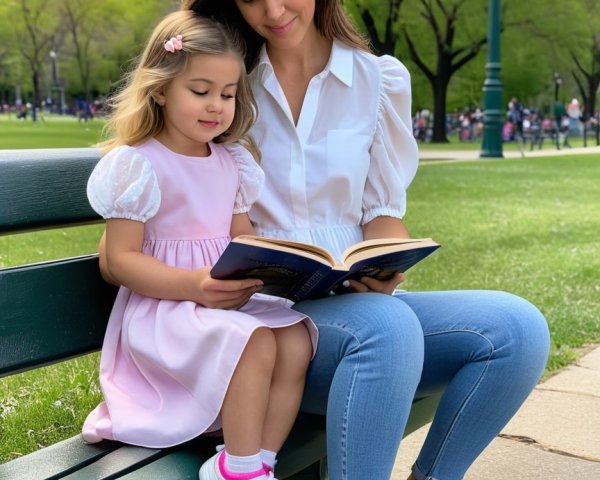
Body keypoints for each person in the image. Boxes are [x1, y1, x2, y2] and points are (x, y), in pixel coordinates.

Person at [100, 2, 550, 479]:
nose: (272, 9)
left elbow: (382, 214)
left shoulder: (374, 80)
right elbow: (130, 240)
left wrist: (384, 264)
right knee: (388, 328)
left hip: (357, 305)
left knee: (516, 330)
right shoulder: (222, 73)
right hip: (268, 325)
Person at [82, 10, 318, 480]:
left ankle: (256, 460)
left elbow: (241, 238)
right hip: (166, 311)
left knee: (294, 338)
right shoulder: (139, 165)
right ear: (160, 89)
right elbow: (121, 260)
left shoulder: (231, 161)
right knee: (249, 341)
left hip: (219, 301)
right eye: (201, 91)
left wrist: (278, 262)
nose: (216, 106)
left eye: (228, 95)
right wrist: (193, 285)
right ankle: (241, 469)